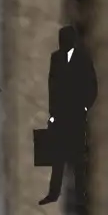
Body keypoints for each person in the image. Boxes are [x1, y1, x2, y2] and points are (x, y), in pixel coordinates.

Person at [39, 24, 95, 204]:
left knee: (78, 158)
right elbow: (52, 87)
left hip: (76, 115)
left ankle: (80, 195)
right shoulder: (55, 58)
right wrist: (52, 112)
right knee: (57, 157)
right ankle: (53, 193)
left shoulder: (83, 60)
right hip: (61, 115)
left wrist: (84, 107)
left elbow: (92, 85)